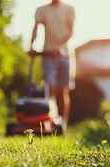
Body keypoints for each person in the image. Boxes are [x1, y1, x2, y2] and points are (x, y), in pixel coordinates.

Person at [29, 0, 75, 133]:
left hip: (65, 54)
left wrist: (58, 47)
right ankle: (49, 122)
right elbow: (35, 28)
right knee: (49, 89)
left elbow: (71, 31)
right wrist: (32, 46)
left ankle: (62, 124)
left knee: (63, 91)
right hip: (48, 54)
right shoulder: (41, 10)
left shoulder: (69, 9)